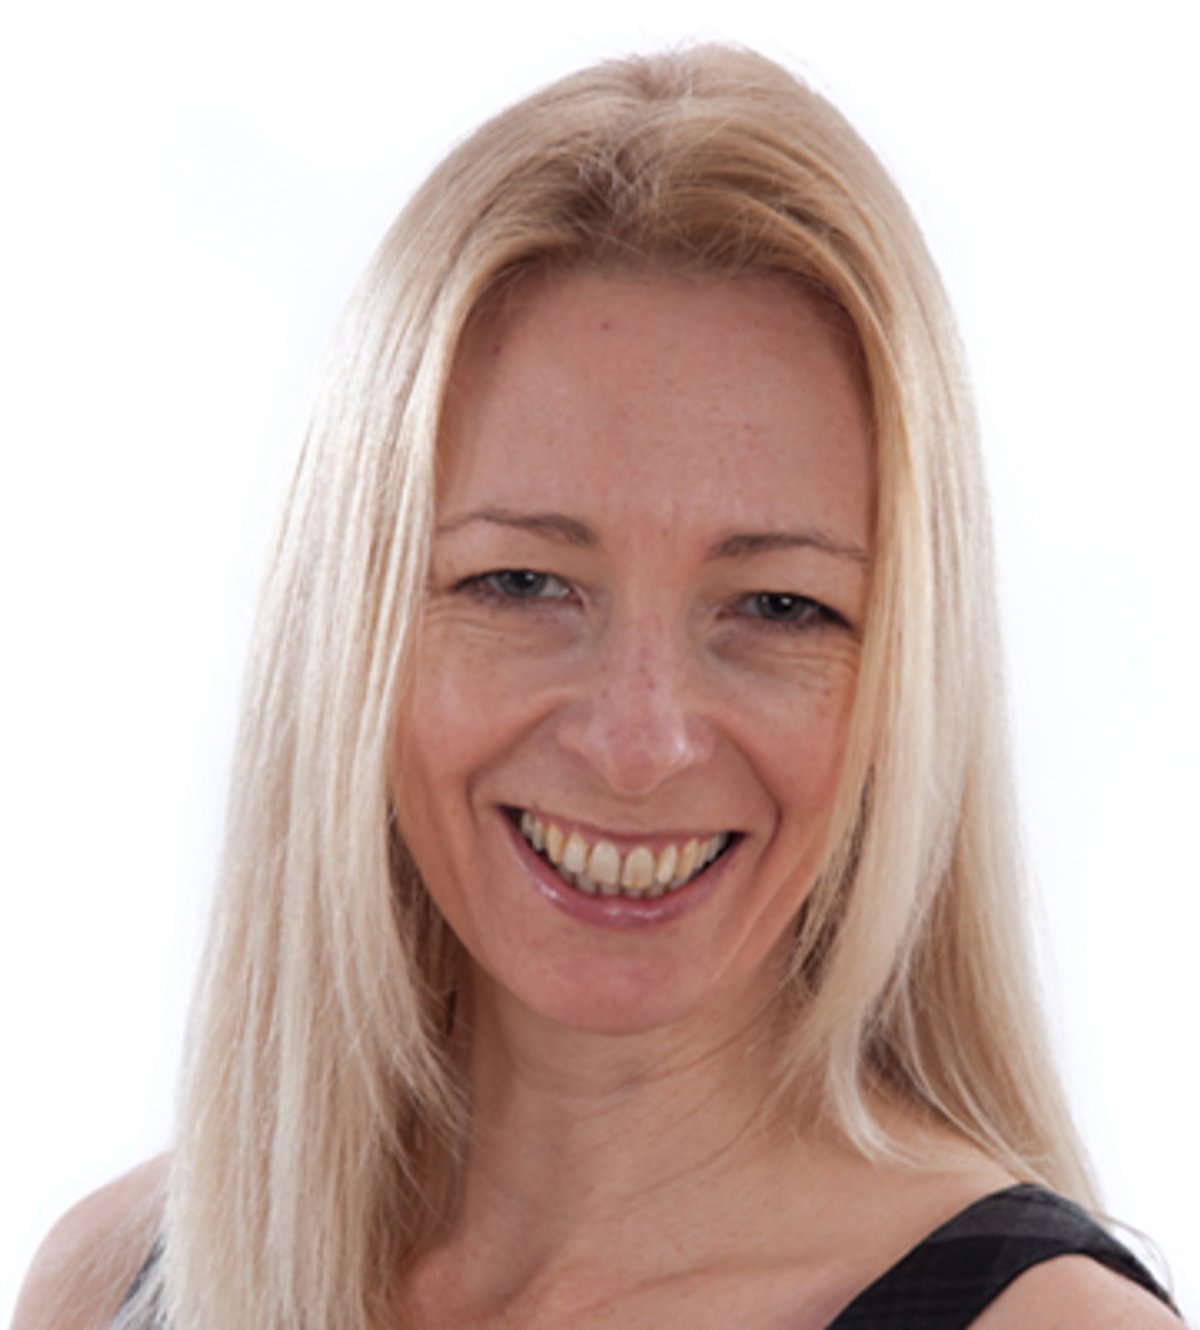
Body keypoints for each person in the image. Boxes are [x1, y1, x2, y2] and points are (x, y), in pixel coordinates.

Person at [13, 44, 1182, 1330]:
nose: (638, 741)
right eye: (521, 583)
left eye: (780, 606)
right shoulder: (112, 1282)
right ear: (350, 631)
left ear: (905, 687)